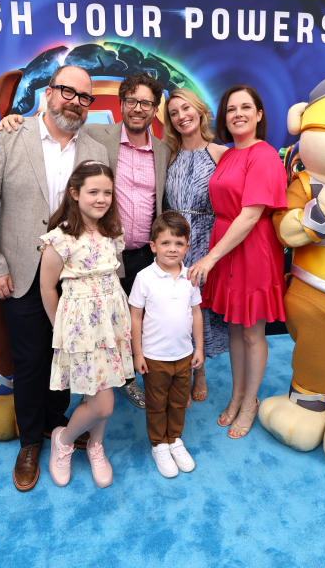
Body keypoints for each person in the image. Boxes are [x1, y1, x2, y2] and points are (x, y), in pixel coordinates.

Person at [0, 65, 109, 492]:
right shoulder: (10, 135)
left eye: (85, 97)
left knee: (68, 358)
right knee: (30, 362)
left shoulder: (96, 146)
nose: (75, 102)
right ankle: (30, 441)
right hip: (23, 275)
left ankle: (56, 424)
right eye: (67, 92)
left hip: (77, 279)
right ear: (49, 93)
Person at [0, 72, 171, 410]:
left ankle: (133, 380)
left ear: (155, 109)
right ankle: (102, 391)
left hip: (145, 256)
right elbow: (57, 123)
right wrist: (16, 121)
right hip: (104, 257)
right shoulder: (95, 136)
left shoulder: (163, 150)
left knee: (139, 326)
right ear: (121, 104)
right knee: (102, 328)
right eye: (132, 101)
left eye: (146, 103)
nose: (138, 109)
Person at [188, 85, 287, 439]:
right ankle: (235, 396)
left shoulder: (264, 155)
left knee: (252, 332)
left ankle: (250, 402)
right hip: (226, 245)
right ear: (224, 118)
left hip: (252, 248)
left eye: (246, 107)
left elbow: (250, 214)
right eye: (231, 109)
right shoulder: (227, 155)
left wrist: (210, 258)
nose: (238, 114)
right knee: (233, 327)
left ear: (259, 114)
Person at [39, 161, 134, 488]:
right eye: (93, 191)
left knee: (99, 391)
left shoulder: (112, 232)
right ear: (75, 193)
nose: (101, 198)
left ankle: (94, 444)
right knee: (103, 403)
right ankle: (64, 440)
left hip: (111, 323)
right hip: (81, 330)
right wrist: (60, 330)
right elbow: (46, 287)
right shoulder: (61, 238)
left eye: (107, 192)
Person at [162, 89, 229, 405]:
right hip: (172, 244)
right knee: (173, 314)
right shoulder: (168, 155)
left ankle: (198, 373)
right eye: (173, 113)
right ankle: (180, 376)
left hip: (206, 242)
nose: (181, 116)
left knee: (198, 312)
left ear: (199, 110)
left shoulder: (219, 153)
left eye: (185, 108)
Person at [129, 211, 204, 478]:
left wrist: (199, 349)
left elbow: (196, 313)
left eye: (178, 243)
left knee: (178, 400)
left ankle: (175, 439)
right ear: (153, 246)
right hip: (154, 357)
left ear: (187, 245)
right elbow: (135, 317)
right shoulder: (144, 278)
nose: (172, 249)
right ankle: (159, 444)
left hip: (183, 355)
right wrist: (137, 353)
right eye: (165, 243)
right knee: (156, 403)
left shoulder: (190, 277)